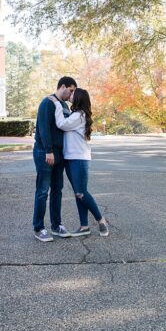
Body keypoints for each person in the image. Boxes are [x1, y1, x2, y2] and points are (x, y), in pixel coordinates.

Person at [51, 88, 110, 236]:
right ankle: (84, 226)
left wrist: (57, 105)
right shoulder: (75, 114)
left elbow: (61, 124)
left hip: (79, 158)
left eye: (73, 93)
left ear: (78, 98)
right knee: (78, 193)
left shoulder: (79, 115)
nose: (70, 95)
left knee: (81, 192)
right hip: (70, 157)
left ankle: (100, 219)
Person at [33, 76, 77, 242]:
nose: (71, 94)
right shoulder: (47, 103)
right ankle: (38, 227)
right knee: (43, 191)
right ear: (63, 86)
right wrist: (48, 151)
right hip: (45, 152)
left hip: (60, 154)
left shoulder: (64, 105)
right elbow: (43, 128)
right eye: (71, 90)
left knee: (57, 190)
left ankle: (56, 225)